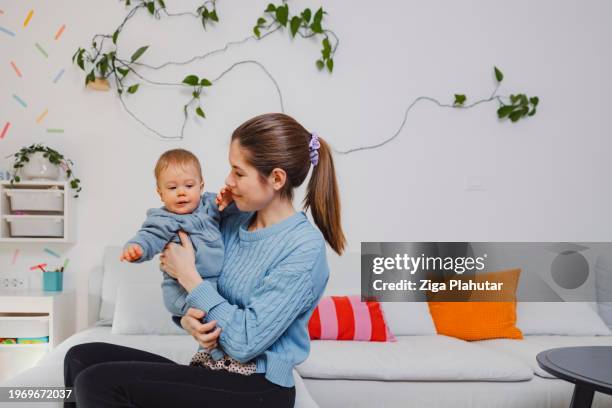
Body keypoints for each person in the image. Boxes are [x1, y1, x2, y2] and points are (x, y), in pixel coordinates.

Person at [64, 112, 346, 407]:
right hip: (213, 369)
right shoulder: (232, 219)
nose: (228, 180)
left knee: (97, 382)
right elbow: (204, 296)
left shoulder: (303, 247)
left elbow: (245, 342)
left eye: (238, 172)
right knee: (80, 358)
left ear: (276, 178)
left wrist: (188, 276)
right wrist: (188, 321)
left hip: (258, 388)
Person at [120, 148, 227, 361]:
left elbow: (228, 209)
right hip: (179, 291)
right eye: (172, 187)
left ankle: (215, 353)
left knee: (221, 310)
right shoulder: (163, 219)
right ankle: (215, 354)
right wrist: (137, 248)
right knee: (209, 316)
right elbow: (149, 236)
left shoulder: (209, 207)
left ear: (201, 186)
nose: (181, 192)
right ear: (160, 193)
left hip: (211, 284)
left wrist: (228, 200)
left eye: (189, 186)